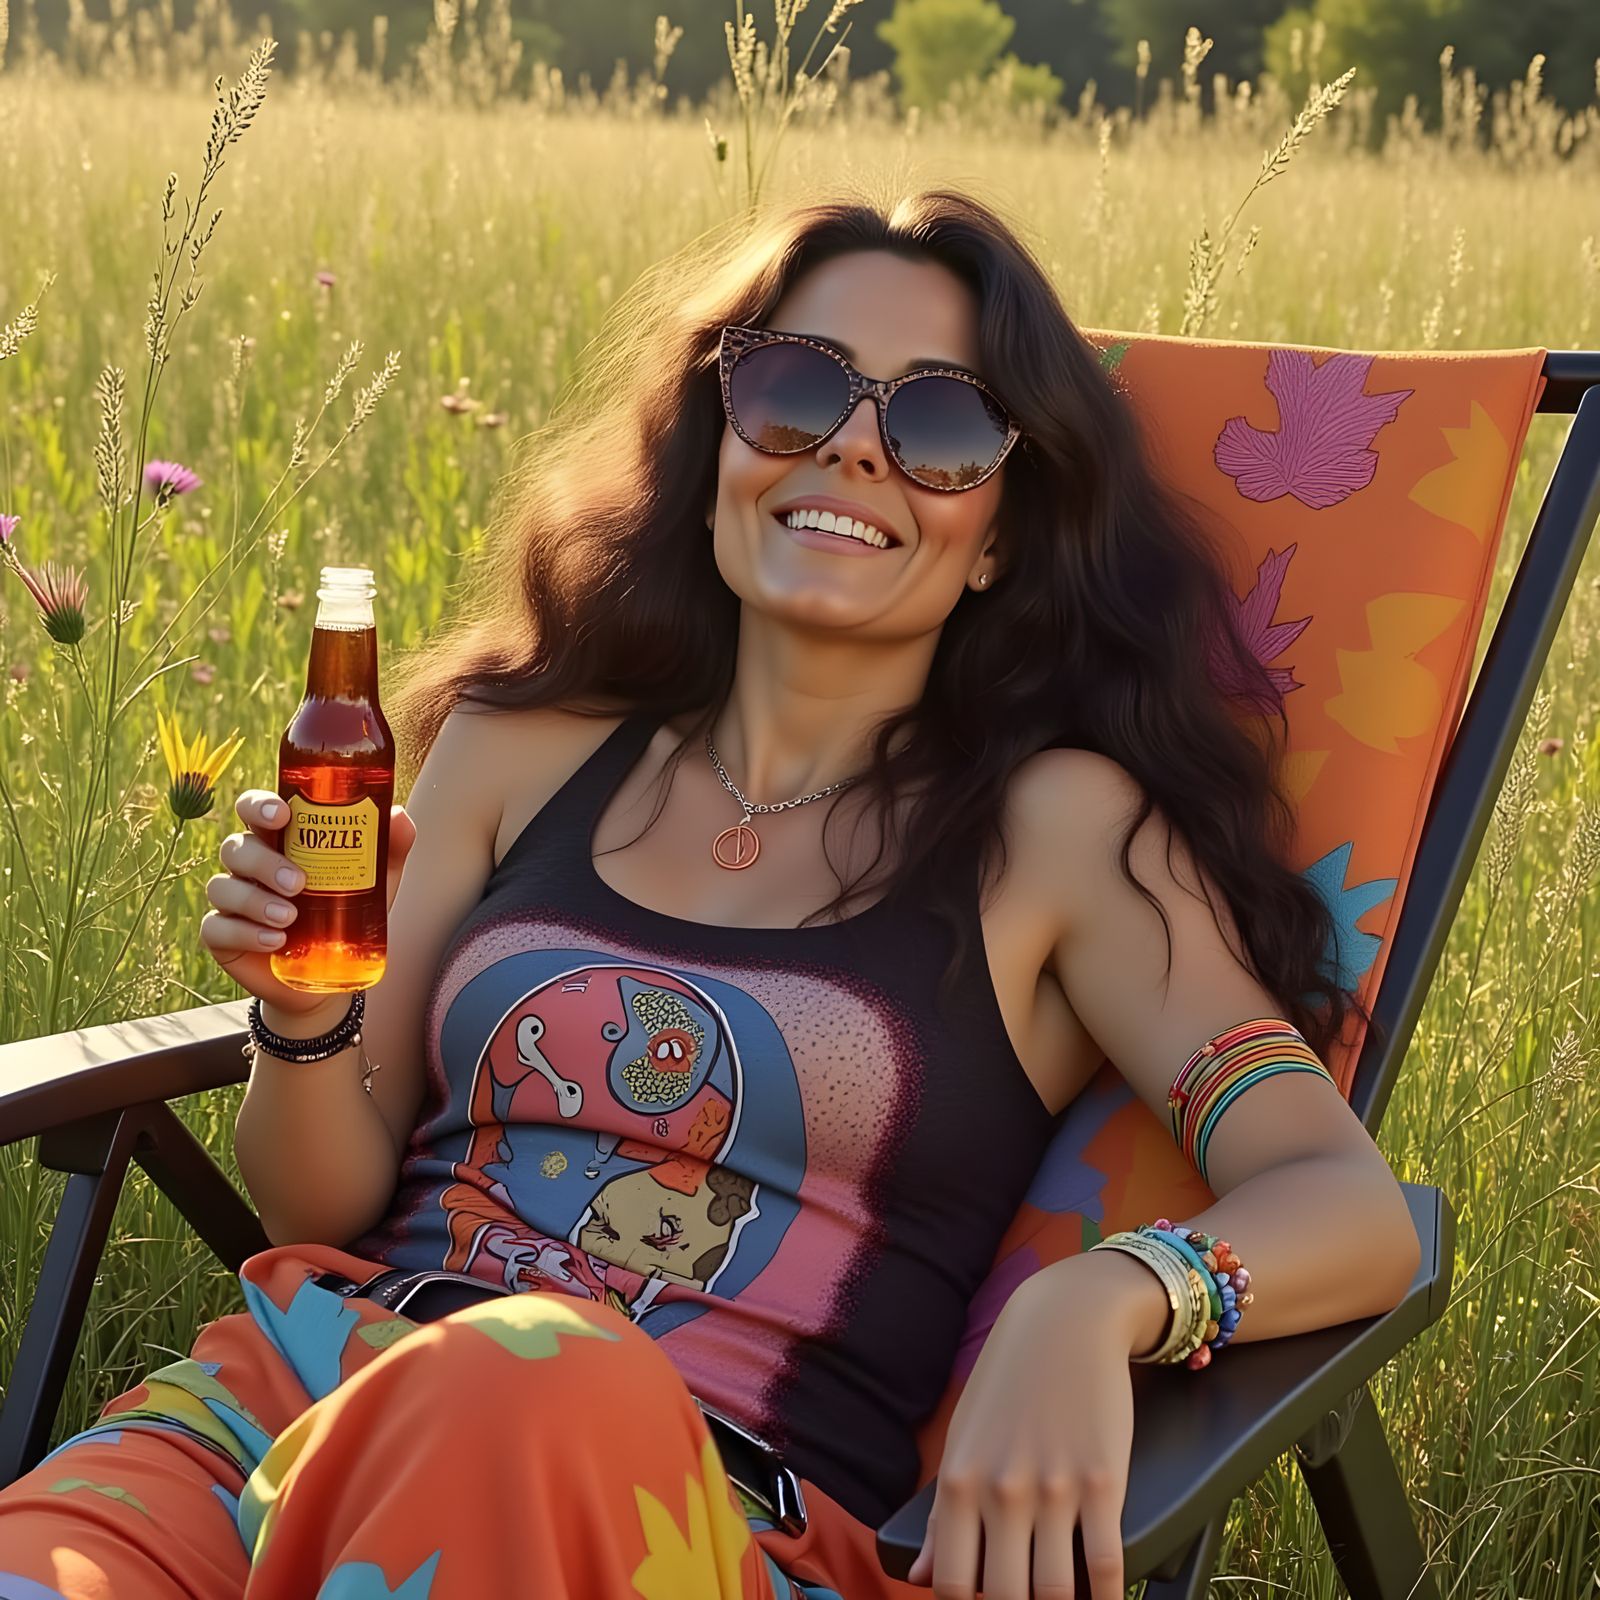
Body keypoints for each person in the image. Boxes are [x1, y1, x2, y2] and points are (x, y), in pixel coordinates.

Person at [0, 186, 1422, 1600]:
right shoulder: (515, 749)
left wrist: (1100, 1298)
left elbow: (1346, 1203)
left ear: (998, 533)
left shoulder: (1054, 837)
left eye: (937, 428)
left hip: (697, 1520)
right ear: (723, 440)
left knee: (522, 1374)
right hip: (289, 1401)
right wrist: (304, 1021)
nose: (857, 451)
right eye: (799, 389)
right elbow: (323, 1204)